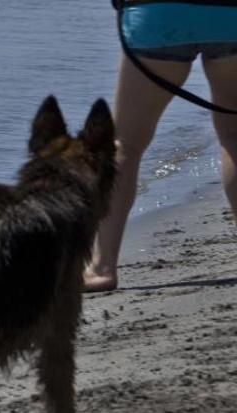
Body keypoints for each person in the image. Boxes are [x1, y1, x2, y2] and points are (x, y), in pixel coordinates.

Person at [84, 1, 237, 292]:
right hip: (230, 16)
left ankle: (102, 267)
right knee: (234, 136)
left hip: (158, 16)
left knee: (124, 146)